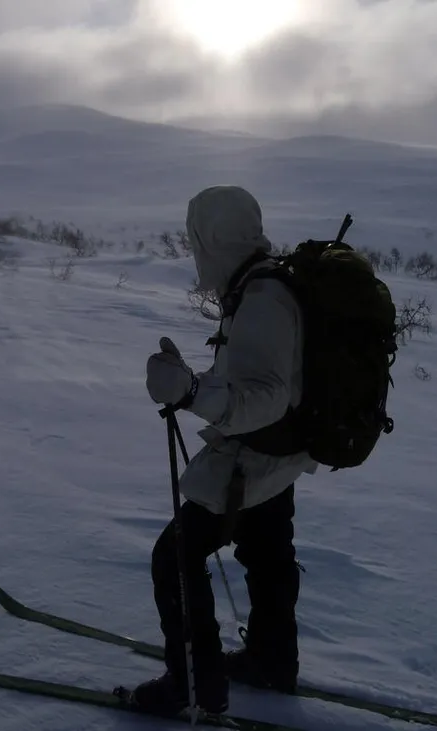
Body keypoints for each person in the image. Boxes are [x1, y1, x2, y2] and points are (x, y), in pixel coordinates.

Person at [134, 185, 318, 715]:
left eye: (196, 238)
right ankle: (271, 659)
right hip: (279, 458)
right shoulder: (267, 283)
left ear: (211, 239)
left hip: (255, 461)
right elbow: (262, 376)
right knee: (267, 552)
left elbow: (265, 398)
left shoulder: (262, 298)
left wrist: (191, 392)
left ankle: (194, 685)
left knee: (175, 558)